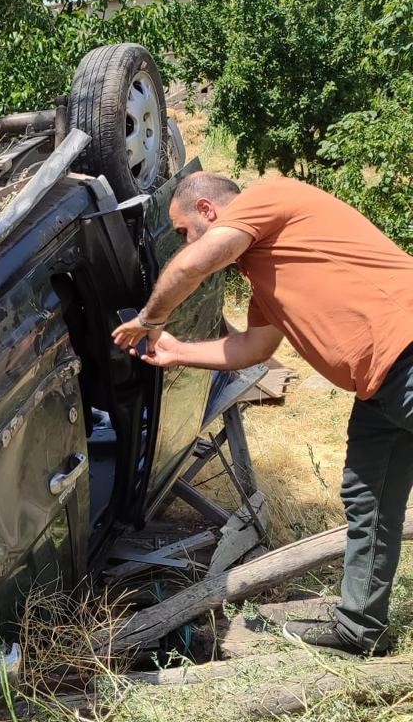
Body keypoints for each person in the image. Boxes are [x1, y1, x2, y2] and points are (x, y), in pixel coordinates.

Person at [112, 171, 413, 656]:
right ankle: (362, 629)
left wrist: (150, 320)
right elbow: (252, 347)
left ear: (209, 210)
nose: (184, 243)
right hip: (377, 388)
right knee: (368, 501)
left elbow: (198, 263)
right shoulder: (269, 271)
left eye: (183, 230)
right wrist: (177, 352)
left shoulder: (271, 196)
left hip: (407, 354)